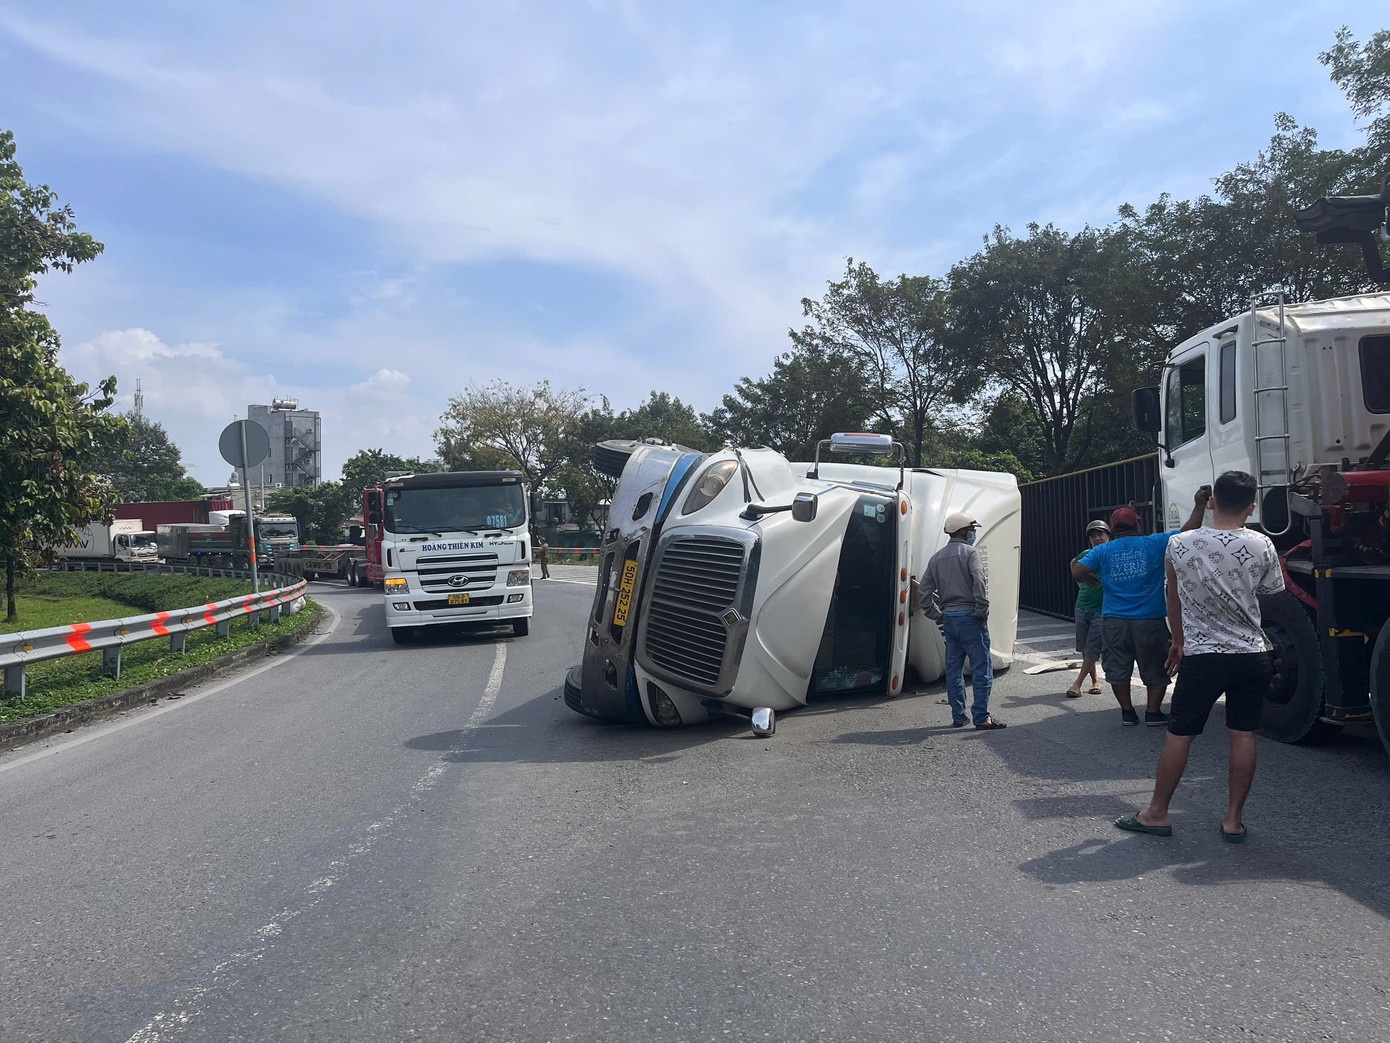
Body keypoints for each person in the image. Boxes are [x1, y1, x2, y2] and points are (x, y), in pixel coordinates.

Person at [1115, 470, 1284, 842]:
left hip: (1202, 654)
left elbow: (1173, 598)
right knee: (1242, 734)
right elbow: (1270, 592)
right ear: (1251, 506)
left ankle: (1156, 813)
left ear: (1212, 502)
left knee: (1180, 735)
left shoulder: (1180, 544)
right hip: (1251, 653)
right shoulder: (1263, 544)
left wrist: (1178, 641)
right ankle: (1233, 821)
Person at [1070, 489, 1209, 727]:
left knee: (1117, 667)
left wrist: (1090, 577)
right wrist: (1199, 505)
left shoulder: (1103, 550)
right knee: (1155, 666)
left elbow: (1077, 570)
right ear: (1137, 525)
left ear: (1113, 530)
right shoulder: (1153, 543)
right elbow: (1188, 532)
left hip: (1114, 620)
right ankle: (1153, 712)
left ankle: (1127, 712)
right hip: (1149, 619)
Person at [920, 511, 1005, 730]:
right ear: (964, 532)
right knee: (981, 668)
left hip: (949, 620)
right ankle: (981, 717)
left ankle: (959, 716)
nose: (973, 534)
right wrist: (982, 609)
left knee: (954, 670)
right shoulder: (970, 553)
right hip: (970, 619)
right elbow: (979, 581)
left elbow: (923, 593)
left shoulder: (936, 558)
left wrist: (936, 614)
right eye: (972, 530)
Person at [1067, 519, 1111, 698]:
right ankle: (1095, 681)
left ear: (1108, 535)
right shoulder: (1087, 554)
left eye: (1100, 534)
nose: (1097, 538)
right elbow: (1073, 563)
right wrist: (1082, 581)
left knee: (1093, 647)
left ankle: (1077, 684)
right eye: (1093, 536)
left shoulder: (1112, 553)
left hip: (1102, 609)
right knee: (1085, 648)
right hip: (1082, 606)